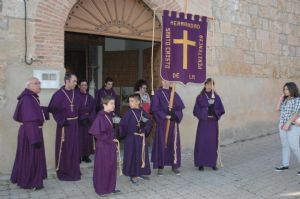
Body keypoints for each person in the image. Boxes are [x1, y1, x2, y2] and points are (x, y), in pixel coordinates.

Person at [11, 77, 49, 190]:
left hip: (32, 132)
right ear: (29, 86)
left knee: (31, 157)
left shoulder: (31, 97)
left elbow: (36, 111)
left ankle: (30, 180)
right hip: (30, 134)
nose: (39, 85)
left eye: (39, 83)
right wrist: (34, 139)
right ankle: (30, 182)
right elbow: (29, 120)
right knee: (30, 158)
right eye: (36, 83)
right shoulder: (27, 99)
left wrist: (48, 109)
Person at [48, 73, 81, 181]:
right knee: (66, 148)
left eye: (76, 81)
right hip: (65, 126)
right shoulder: (58, 94)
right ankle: (65, 171)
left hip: (75, 125)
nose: (76, 83)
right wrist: (62, 121)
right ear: (67, 81)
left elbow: (79, 108)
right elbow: (52, 109)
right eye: (74, 81)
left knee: (75, 148)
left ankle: (74, 170)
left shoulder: (76, 93)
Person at [151, 80, 185, 176]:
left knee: (173, 144)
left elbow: (179, 109)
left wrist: (174, 115)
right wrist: (165, 116)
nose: (165, 82)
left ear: (170, 82)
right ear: (161, 81)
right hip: (162, 124)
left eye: (167, 81)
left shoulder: (174, 93)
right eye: (163, 80)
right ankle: (160, 167)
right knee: (161, 144)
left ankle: (174, 165)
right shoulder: (158, 94)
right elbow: (155, 109)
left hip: (173, 124)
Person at [89, 95, 121, 196]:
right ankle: (102, 190)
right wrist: (110, 139)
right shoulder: (100, 117)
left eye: (114, 103)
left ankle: (110, 188)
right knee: (103, 168)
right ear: (104, 105)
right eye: (111, 103)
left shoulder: (110, 114)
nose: (114, 105)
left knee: (111, 167)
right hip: (104, 147)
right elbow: (96, 133)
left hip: (110, 146)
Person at [119, 94, 152, 184]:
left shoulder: (143, 112)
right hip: (131, 139)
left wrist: (144, 130)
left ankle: (140, 172)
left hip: (141, 138)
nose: (130, 103)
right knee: (132, 156)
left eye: (132, 101)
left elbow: (149, 123)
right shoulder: (128, 113)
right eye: (129, 101)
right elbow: (123, 126)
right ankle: (133, 175)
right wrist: (124, 134)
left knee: (141, 155)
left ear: (138, 102)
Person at [193, 78, 225, 171]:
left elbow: (222, 109)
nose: (209, 86)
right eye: (208, 84)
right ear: (205, 85)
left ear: (213, 86)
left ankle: (212, 163)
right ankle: (201, 164)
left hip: (212, 123)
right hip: (203, 123)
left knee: (212, 142)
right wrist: (205, 111)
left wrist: (214, 111)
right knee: (202, 142)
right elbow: (195, 110)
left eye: (211, 84)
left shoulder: (217, 97)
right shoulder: (200, 97)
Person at [275, 82, 300, 175]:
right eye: (284, 89)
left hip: (292, 126)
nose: (285, 91)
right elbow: (277, 109)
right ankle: (285, 165)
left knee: (295, 147)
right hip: (282, 125)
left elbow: (296, 113)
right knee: (285, 145)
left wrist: (288, 124)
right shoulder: (286, 100)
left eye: (287, 89)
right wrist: (280, 99)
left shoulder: (297, 99)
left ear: (292, 89)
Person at [78, 80, 96, 163]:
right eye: (82, 85)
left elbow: (93, 110)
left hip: (87, 121)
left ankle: (86, 156)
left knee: (87, 139)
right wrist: (80, 118)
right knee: (78, 139)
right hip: (79, 122)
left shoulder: (90, 97)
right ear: (79, 86)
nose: (84, 87)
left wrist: (89, 119)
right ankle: (78, 156)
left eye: (85, 85)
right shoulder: (75, 96)